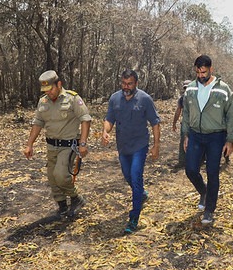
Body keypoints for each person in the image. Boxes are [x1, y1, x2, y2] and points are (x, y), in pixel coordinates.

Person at [23, 70, 92, 219]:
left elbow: (85, 119)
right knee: (52, 179)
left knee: (60, 175)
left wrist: (84, 143)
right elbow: (38, 123)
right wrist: (29, 144)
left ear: (59, 84)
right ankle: (62, 206)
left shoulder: (72, 99)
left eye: (51, 89)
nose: (48, 93)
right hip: (51, 146)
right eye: (45, 91)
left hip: (69, 145)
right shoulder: (43, 102)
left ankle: (76, 198)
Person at [102, 69, 161, 234]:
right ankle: (141, 194)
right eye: (123, 83)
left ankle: (134, 217)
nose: (126, 87)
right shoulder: (115, 98)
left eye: (129, 84)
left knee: (136, 176)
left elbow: (155, 123)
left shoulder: (145, 99)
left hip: (140, 146)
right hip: (123, 146)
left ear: (136, 83)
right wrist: (105, 131)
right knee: (128, 176)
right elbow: (109, 119)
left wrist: (156, 145)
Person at [182, 55, 233, 226]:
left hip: (216, 136)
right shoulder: (190, 89)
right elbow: (186, 113)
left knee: (213, 172)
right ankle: (203, 191)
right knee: (190, 170)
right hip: (195, 135)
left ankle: (209, 210)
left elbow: (230, 116)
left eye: (204, 72)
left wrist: (230, 140)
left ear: (211, 69)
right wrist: (185, 135)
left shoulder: (223, 89)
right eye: (198, 72)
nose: (200, 75)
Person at [171, 80, 193, 168]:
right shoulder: (182, 99)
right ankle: (182, 161)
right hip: (186, 123)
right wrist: (174, 123)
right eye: (185, 88)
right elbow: (178, 111)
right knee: (183, 141)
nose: (186, 89)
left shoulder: (198, 96)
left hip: (196, 123)